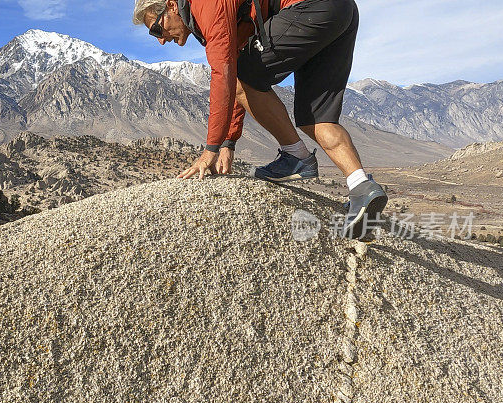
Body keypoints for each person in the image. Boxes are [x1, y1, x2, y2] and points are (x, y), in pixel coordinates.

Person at [132, 0, 388, 238]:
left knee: (243, 74)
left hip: (313, 7)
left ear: (171, 5)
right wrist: (228, 142)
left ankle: (296, 157)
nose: (161, 41)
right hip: (341, 11)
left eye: (156, 29)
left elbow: (226, 74)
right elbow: (235, 71)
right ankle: (361, 187)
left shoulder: (206, 5)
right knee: (315, 118)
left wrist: (211, 149)